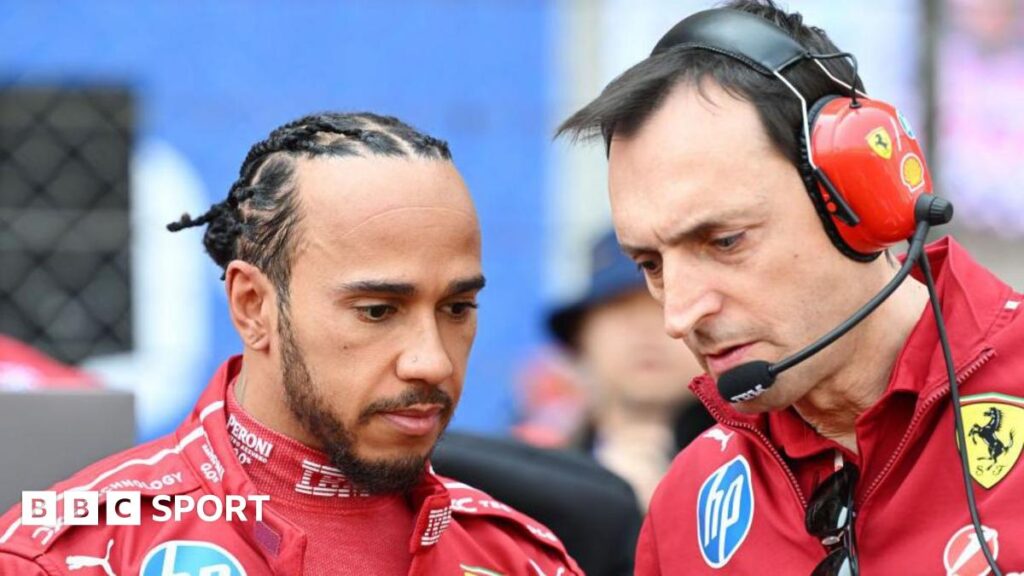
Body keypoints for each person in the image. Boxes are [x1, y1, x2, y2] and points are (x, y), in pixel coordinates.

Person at [0, 112, 581, 575]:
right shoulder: (70, 556)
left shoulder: (524, 559)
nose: (431, 359)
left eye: (457, 308)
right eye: (377, 311)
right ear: (252, 306)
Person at [558, 1, 1024, 574]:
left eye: (725, 241)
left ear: (857, 197)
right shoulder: (685, 506)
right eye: (651, 265)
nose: (678, 315)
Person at [546, 229, 713, 510]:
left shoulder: (766, 469)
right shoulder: (538, 479)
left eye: (664, 306)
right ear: (580, 338)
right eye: (620, 308)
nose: (646, 331)